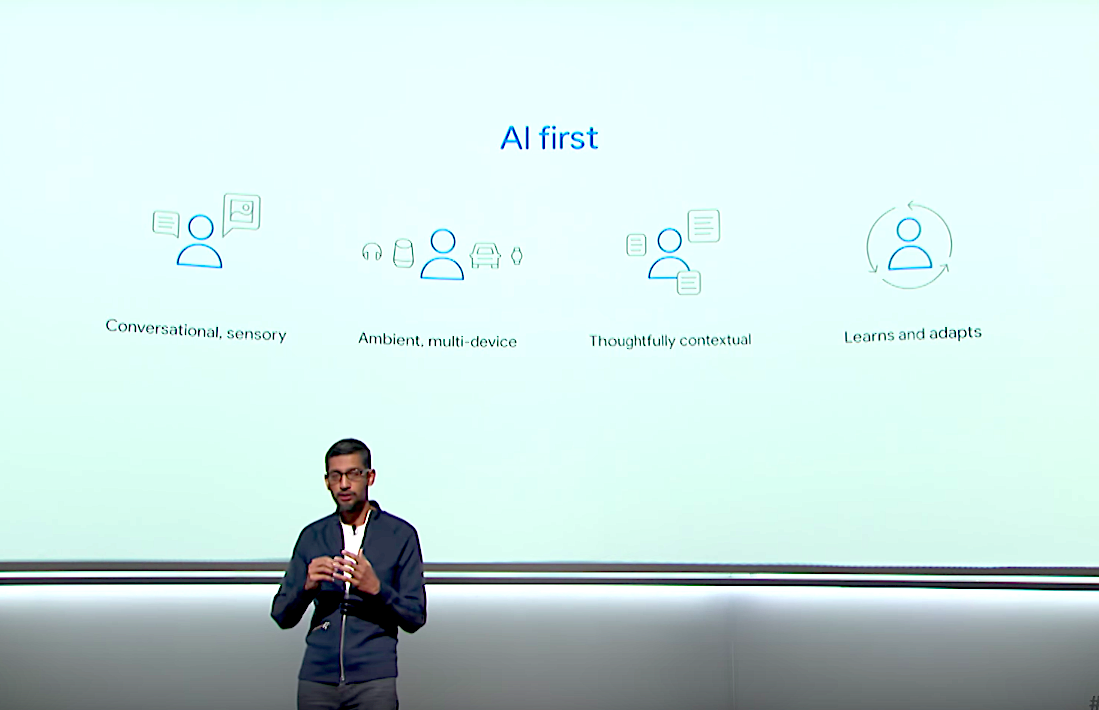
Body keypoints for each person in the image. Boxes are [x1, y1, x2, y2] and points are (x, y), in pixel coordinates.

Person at [272, 438, 426, 710]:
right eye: (336, 476)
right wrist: (306, 587)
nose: (344, 484)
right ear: (327, 482)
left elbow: (415, 617)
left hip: (373, 681)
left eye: (353, 474)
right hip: (317, 681)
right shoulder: (313, 536)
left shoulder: (400, 535)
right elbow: (281, 615)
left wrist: (377, 589)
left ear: (370, 477)